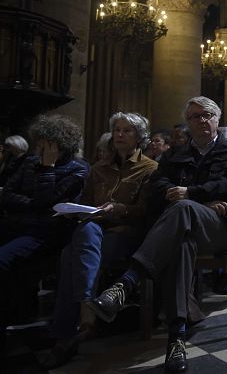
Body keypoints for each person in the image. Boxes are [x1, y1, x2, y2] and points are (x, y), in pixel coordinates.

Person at [88, 97, 227, 373]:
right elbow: (157, 187)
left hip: (224, 228)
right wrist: (195, 202)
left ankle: (127, 283)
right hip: (186, 225)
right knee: (181, 243)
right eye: (194, 116)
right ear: (188, 122)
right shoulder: (175, 154)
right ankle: (176, 338)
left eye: (207, 115)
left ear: (217, 119)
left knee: (183, 208)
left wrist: (194, 195)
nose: (201, 120)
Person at [39, 112, 158, 368]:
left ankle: (65, 334)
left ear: (139, 137)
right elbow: (86, 203)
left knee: (70, 253)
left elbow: (146, 211)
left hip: (127, 235)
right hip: (96, 233)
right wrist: (74, 209)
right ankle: (86, 314)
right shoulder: (98, 169)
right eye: (116, 130)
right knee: (83, 235)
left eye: (127, 131)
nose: (120, 135)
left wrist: (119, 209)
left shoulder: (150, 168)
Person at [0, 115, 89, 332]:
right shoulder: (30, 162)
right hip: (16, 224)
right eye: (38, 141)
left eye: (45, 143)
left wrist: (48, 167)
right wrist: (32, 204)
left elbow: (47, 201)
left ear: (59, 144)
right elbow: (7, 194)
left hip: (45, 232)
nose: (38, 146)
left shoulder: (77, 169)